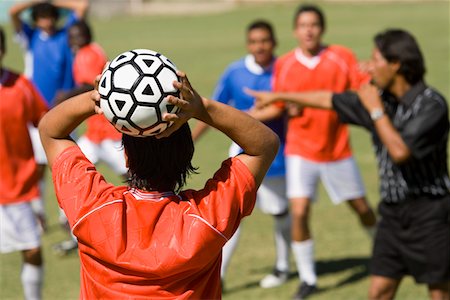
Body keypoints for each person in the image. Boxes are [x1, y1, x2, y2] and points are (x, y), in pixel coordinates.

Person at [38, 68, 279, 298]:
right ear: (187, 156)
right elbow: (264, 146)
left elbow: (51, 131)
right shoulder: (206, 218)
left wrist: (101, 98)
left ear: (126, 157)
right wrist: (201, 108)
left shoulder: (92, 207)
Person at [248, 28, 450, 300]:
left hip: (430, 216)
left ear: (396, 64)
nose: (368, 66)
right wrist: (281, 96)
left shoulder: (431, 105)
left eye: (375, 59)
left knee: (439, 292)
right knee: (379, 291)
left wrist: (375, 110)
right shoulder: (381, 101)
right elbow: (327, 99)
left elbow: (400, 151)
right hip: (392, 216)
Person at [260, 4, 377, 298]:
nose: (308, 30)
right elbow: (278, 104)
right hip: (301, 150)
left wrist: (370, 71)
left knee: (362, 209)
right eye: (303, 25)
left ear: (322, 28)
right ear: (295, 31)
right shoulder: (285, 64)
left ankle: (383, 254)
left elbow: (362, 90)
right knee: (299, 212)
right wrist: (280, 108)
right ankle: (308, 278)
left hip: (337, 149)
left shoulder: (341, 57)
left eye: (313, 24)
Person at [191, 20, 291, 289]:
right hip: (242, 155)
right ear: (248, 44)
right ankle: (219, 276)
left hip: (279, 158)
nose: (260, 46)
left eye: (264, 41)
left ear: (274, 42)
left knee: (281, 212)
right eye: (254, 41)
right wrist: (191, 141)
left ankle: (283, 267)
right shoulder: (234, 72)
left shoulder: (285, 70)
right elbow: (210, 109)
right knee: (230, 214)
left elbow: (285, 106)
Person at [9, 0, 89, 232]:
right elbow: (14, 12)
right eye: (42, 16)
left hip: (65, 110)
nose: (47, 20)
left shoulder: (66, 34)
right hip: (38, 114)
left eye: (50, 15)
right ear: (36, 19)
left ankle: (67, 215)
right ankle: (38, 214)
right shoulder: (30, 36)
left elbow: (81, 7)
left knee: (64, 162)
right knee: (38, 167)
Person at [52, 20, 127, 255]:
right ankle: (71, 223)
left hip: (107, 134)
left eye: (78, 35)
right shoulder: (92, 50)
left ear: (87, 35)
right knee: (71, 169)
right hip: (95, 134)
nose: (74, 39)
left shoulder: (86, 54)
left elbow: (87, 86)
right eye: (72, 35)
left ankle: (146, 211)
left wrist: (66, 95)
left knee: (70, 170)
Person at [0, 26, 48, 300]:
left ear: (3, 49)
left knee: (32, 250)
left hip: (17, 188)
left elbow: (45, 123)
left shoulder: (20, 86)